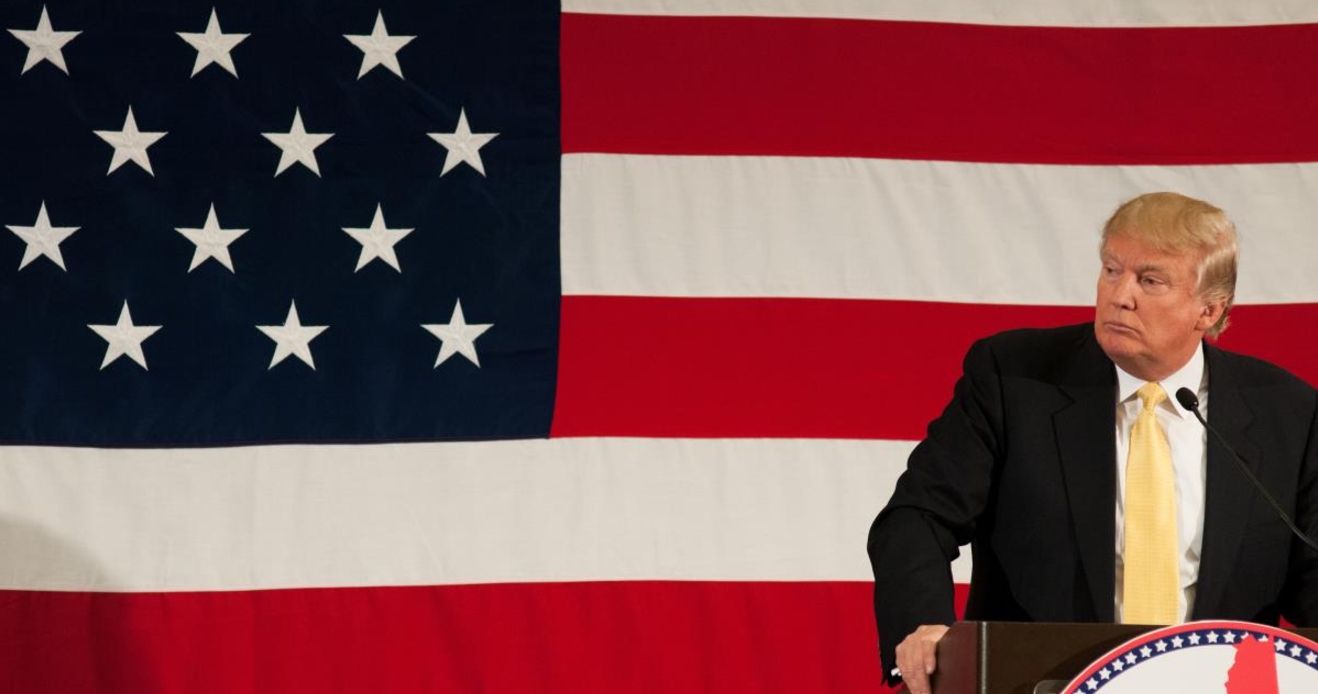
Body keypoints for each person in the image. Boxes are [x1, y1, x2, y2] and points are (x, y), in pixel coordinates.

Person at [867, 192, 1318, 694]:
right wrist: (925, 626)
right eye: (1111, 270)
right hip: (1037, 680)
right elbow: (918, 518)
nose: (1120, 295)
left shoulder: (1288, 413)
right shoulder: (1015, 379)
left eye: (1150, 280)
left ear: (1208, 310)